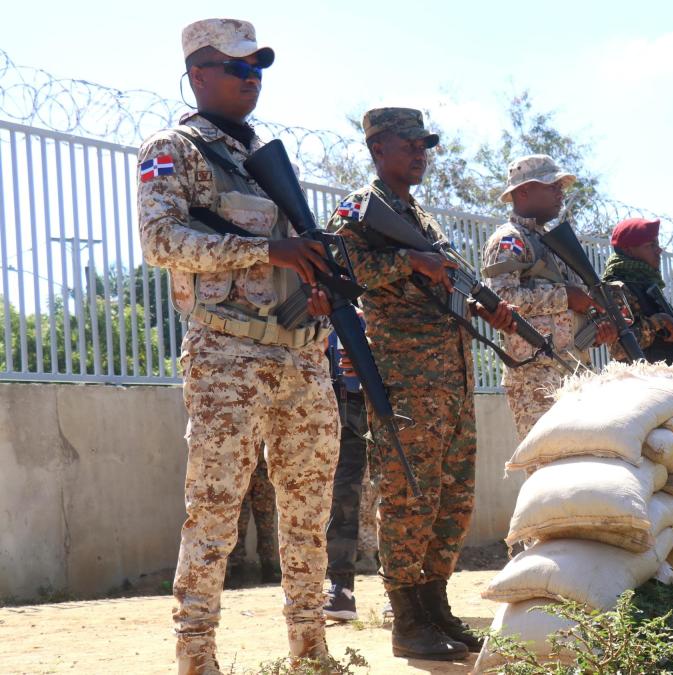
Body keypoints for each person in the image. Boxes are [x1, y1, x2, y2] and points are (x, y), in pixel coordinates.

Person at [138, 19, 339, 672]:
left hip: (301, 357)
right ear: (198, 73)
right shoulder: (174, 150)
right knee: (215, 513)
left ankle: (311, 653)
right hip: (227, 356)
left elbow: (286, 265)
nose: (252, 80)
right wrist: (267, 249)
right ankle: (197, 658)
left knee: (307, 518)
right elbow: (161, 241)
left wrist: (312, 289)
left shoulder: (268, 159)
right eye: (238, 68)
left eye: (258, 70)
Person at [327, 107, 517, 660]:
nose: (421, 153)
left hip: (450, 378)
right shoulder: (361, 210)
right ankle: (406, 619)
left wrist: (487, 310)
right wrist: (409, 260)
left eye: (424, 145)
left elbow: (441, 285)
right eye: (410, 144)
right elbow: (342, 271)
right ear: (378, 147)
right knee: (410, 496)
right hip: (407, 377)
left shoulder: (420, 216)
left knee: (451, 500)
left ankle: (435, 607)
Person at [481, 154, 617, 438]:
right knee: (546, 469)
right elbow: (499, 296)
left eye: (560, 186)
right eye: (551, 185)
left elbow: (572, 308)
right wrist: (564, 296)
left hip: (575, 371)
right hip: (536, 378)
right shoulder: (509, 239)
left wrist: (595, 326)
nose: (560, 192)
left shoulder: (552, 244)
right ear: (523, 191)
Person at [322, 308, 370, 621]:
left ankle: (405, 593)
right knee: (334, 500)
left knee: (349, 499)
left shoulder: (365, 315)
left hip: (362, 410)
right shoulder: (305, 307)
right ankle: (337, 588)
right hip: (323, 409)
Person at [600, 217, 673, 365]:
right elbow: (618, 348)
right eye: (651, 245)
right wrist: (661, 321)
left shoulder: (647, 284)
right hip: (640, 380)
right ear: (629, 250)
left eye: (657, 244)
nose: (658, 250)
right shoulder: (616, 287)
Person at [226, 450, 279, 588]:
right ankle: (237, 570)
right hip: (241, 473)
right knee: (239, 524)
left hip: (265, 474)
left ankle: (268, 569)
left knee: (266, 525)